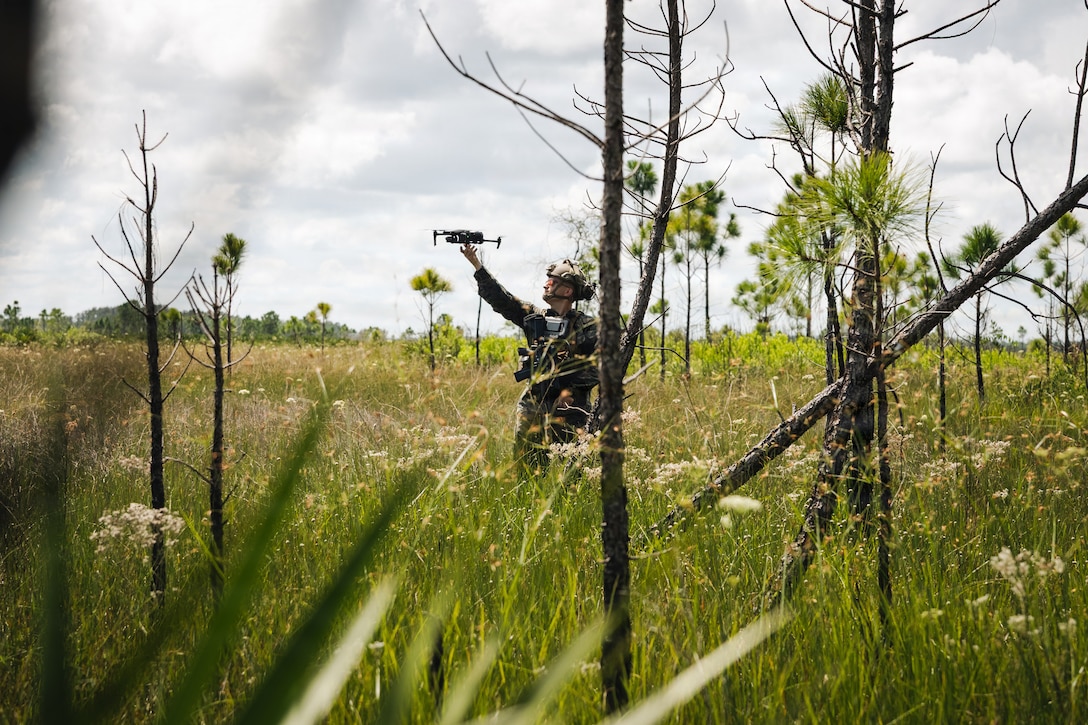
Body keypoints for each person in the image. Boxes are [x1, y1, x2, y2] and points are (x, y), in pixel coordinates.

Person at [460, 243, 598, 474]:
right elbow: (502, 299)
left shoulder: (589, 327)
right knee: (527, 471)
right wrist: (476, 265)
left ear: (567, 291)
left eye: (552, 281)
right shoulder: (535, 317)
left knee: (572, 474)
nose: (546, 284)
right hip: (533, 404)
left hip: (571, 409)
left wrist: (569, 391)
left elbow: (600, 368)